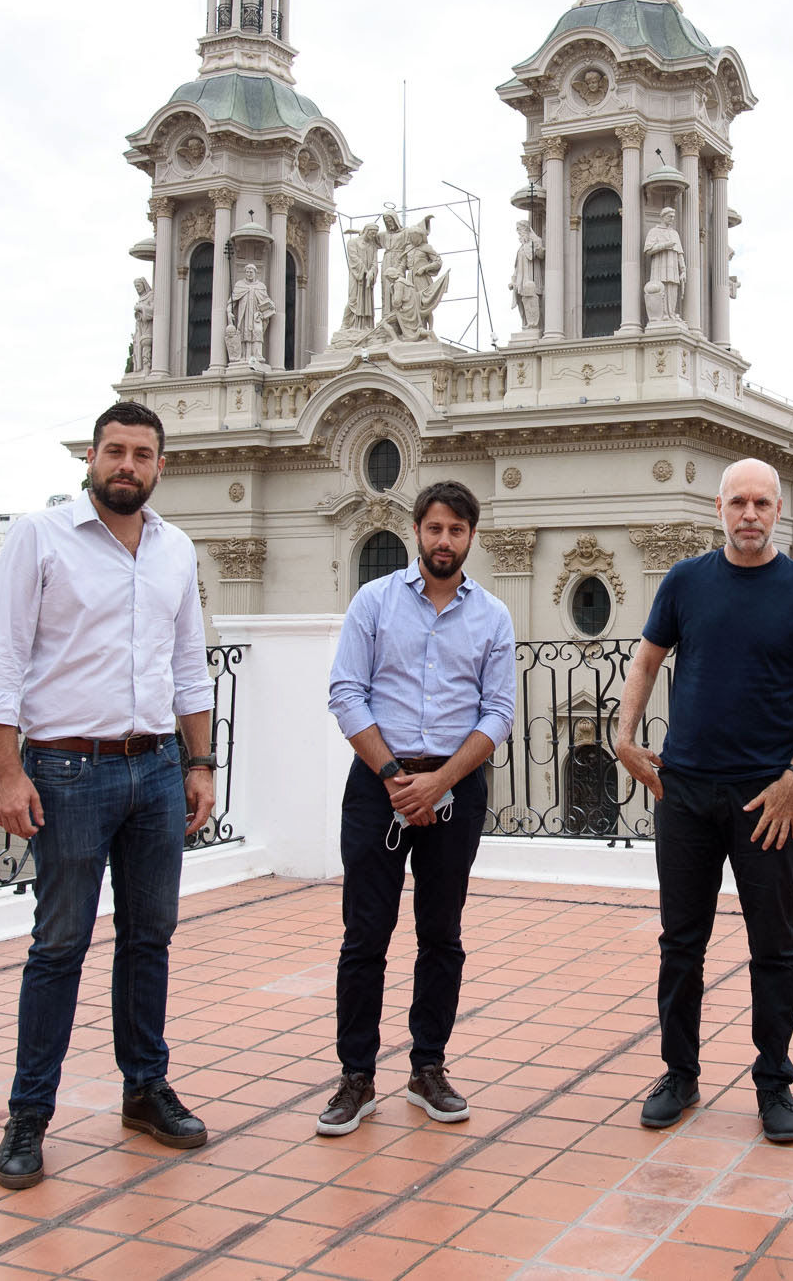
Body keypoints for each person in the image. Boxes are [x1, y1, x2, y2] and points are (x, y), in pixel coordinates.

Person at [0, 401, 217, 1190]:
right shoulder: (39, 537)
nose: (127, 465)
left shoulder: (175, 549)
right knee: (59, 945)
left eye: (142, 454)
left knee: (150, 937)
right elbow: (0, 661)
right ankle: (28, 1116)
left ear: (160, 466)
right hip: (66, 770)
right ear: (91, 457)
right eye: (115, 451)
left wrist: (200, 762)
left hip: (156, 769)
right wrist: (8, 772)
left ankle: (145, 1087)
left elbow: (189, 666)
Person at [613, 458, 793, 1143]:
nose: (750, 514)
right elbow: (647, 660)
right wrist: (624, 737)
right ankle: (679, 1073)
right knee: (681, 942)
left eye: (761, 503)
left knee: (774, 945)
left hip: (767, 798)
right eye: (738, 502)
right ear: (719, 508)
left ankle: (774, 1082)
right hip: (684, 789)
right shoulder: (685, 581)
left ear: (778, 510)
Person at [318, 482, 516, 1136]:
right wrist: (395, 777)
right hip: (378, 785)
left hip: (456, 789)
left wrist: (440, 783)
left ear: (471, 536)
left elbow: (498, 712)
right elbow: (347, 692)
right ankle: (356, 1076)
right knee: (364, 935)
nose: (444, 540)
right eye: (435, 528)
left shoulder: (493, 616)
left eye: (457, 530)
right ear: (417, 530)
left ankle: (428, 1066)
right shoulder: (373, 602)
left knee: (442, 934)